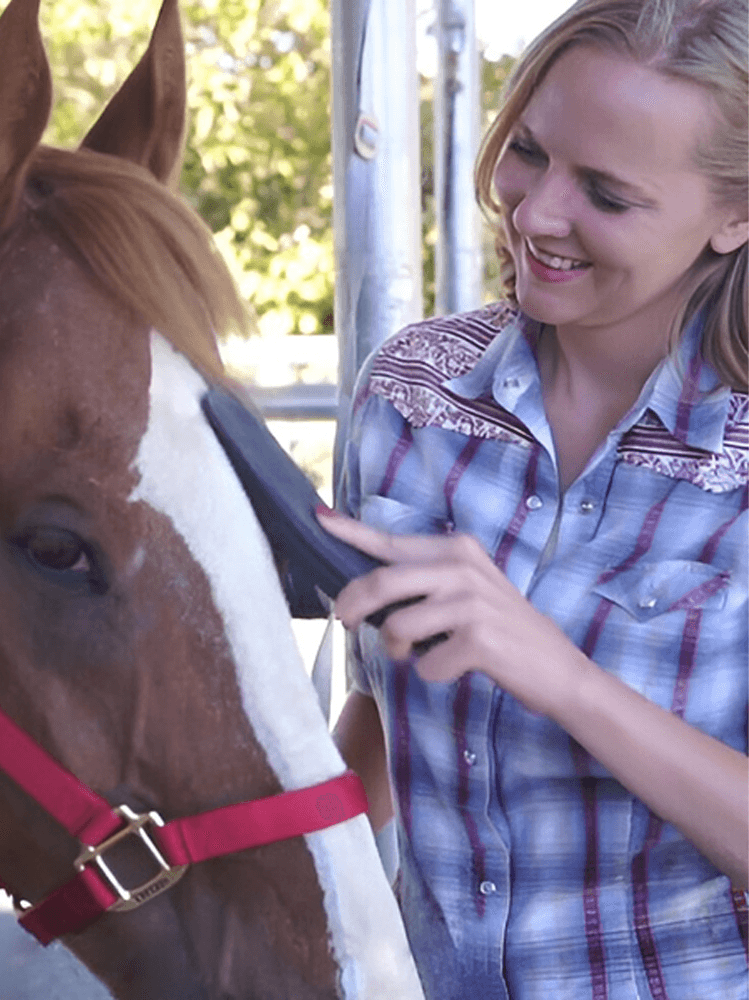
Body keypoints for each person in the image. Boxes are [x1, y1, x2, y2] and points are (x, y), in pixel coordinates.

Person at [316, 1, 749, 997]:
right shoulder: (408, 394)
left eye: (606, 193)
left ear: (736, 216)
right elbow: (379, 714)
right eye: (527, 151)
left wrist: (564, 679)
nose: (535, 213)